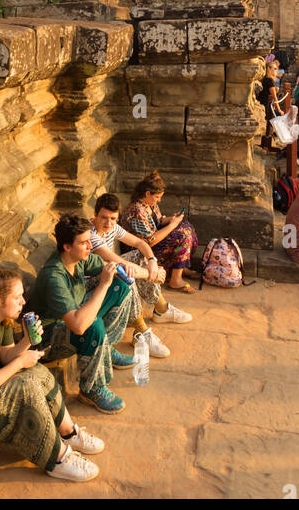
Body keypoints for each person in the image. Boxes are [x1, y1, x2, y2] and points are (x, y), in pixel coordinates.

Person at [0, 266, 104, 483]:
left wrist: (26, 342)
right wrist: (20, 361)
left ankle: (68, 433)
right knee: (25, 386)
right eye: (17, 297)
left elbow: (5, 356)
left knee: (35, 370)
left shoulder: (0, 320)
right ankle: (57, 460)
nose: (23, 301)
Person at [30, 213, 137, 414]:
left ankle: (106, 346)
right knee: (92, 323)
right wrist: (103, 284)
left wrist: (150, 271)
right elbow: (78, 325)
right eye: (84, 243)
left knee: (121, 287)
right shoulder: (54, 276)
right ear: (67, 247)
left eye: (90, 241)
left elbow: (115, 269)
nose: (90, 246)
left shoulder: (79, 260)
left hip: (72, 317)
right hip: (47, 339)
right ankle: (92, 388)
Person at [88, 193, 173, 354]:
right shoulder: (91, 235)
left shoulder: (112, 226)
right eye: (104, 218)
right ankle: (141, 331)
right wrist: (152, 274)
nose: (108, 223)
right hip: (92, 279)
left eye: (113, 218)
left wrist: (153, 262)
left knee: (141, 257)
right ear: (95, 215)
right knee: (127, 275)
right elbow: (119, 263)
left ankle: (161, 308)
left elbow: (140, 243)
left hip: (110, 268)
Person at [121, 170, 200, 295]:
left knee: (186, 225)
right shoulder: (136, 210)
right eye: (157, 197)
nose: (159, 200)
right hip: (139, 249)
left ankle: (180, 267)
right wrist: (172, 225)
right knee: (182, 234)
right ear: (147, 193)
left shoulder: (150, 205)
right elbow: (148, 241)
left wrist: (171, 219)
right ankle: (175, 279)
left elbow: (158, 221)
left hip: (151, 240)